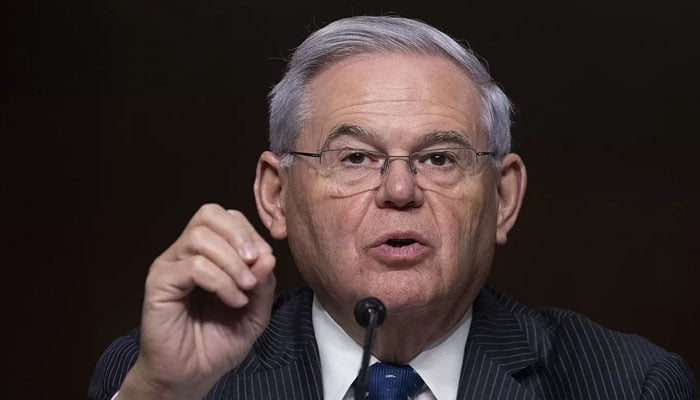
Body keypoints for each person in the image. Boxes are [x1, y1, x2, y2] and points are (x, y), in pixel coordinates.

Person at [89, 15, 698, 400]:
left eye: (438, 158)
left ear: (504, 199)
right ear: (276, 196)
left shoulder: (628, 383)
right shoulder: (160, 374)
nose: (400, 191)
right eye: (354, 158)